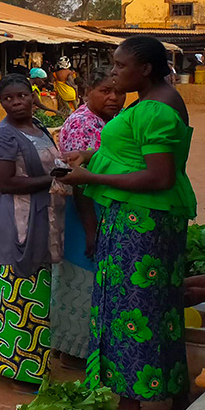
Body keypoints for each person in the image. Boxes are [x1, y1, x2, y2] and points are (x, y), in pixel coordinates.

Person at [57, 36, 194, 410]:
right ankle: (172, 396)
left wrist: (89, 175)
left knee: (131, 312)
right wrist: (89, 156)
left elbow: (159, 175)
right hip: (142, 219)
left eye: (119, 66)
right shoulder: (151, 100)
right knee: (158, 308)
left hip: (141, 223)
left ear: (145, 68)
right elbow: (131, 154)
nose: (114, 74)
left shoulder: (156, 109)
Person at [0, 74, 64, 386]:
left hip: (44, 215)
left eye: (21, 96)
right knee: (18, 290)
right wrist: (54, 179)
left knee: (37, 290)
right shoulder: (3, 135)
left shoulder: (38, 126)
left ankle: (29, 362)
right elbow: (6, 183)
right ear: (2, 102)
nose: (16, 102)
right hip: (19, 220)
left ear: (32, 96)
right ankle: (16, 367)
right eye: (8, 98)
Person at [49, 65, 125, 366]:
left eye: (118, 91)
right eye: (105, 91)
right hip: (85, 213)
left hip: (97, 210)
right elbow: (79, 182)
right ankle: (73, 352)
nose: (114, 97)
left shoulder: (111, 121)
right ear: (86, 93)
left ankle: (72, 346)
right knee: (81, 277)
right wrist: (91, 229)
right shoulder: (83, 123)